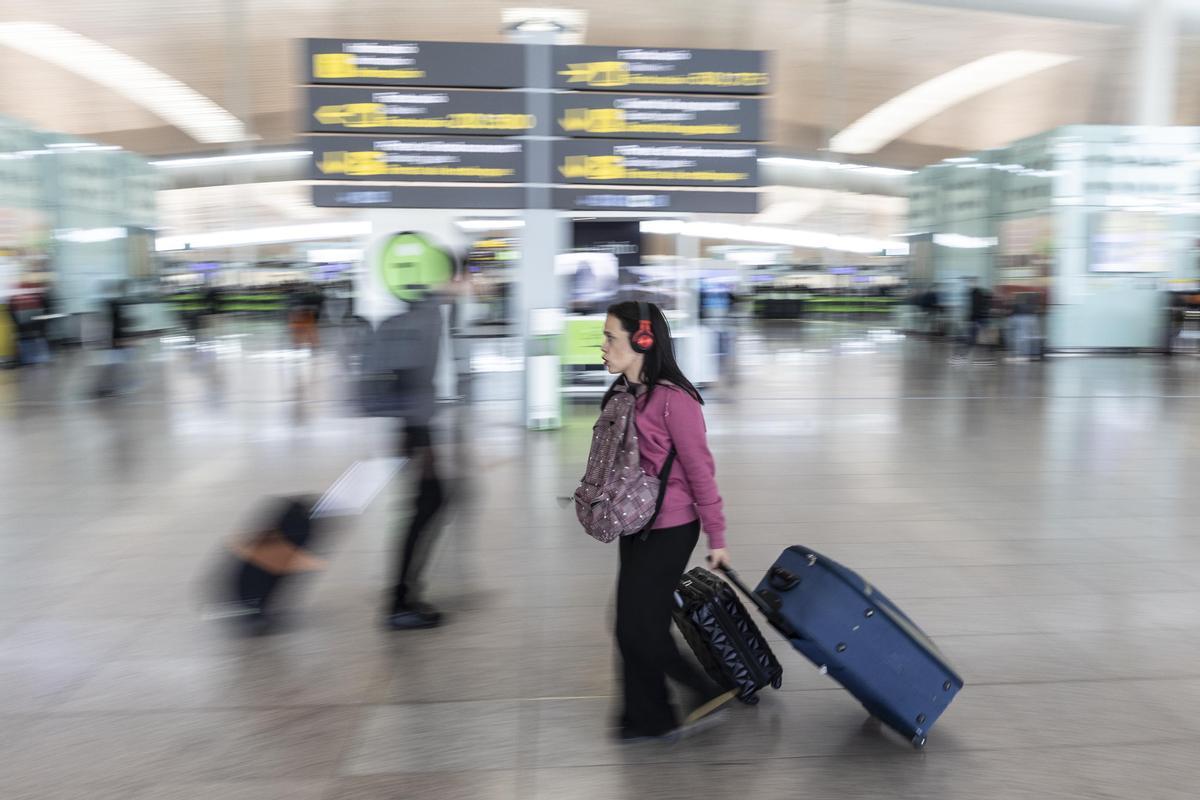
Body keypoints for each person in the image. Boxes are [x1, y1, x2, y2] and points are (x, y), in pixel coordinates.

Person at [599, 300, 735, 742]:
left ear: (642, 341)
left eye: (609, 338)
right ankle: (646, 714)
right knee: (631, 622)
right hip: (634, 524)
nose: (602, 346)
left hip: (672, 528)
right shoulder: (624, 394)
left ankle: (703, 689)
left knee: (640, 625)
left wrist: (717, 536)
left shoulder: (676, 401)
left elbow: (700, 471)